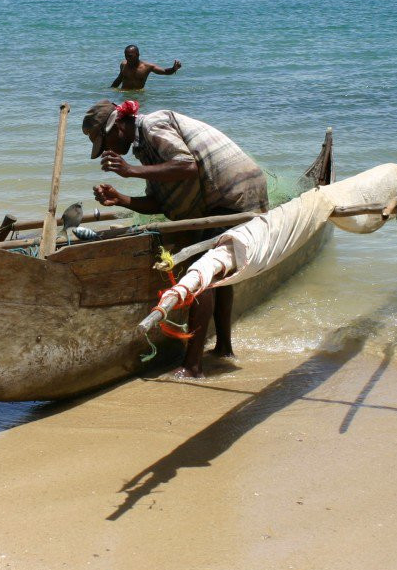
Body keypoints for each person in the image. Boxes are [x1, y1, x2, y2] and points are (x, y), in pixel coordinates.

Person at [82, 99, 267, 378]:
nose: (106, 150)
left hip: (233, 192)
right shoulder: (144, 147)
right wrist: (121, 199)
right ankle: (224, 348)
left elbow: (187, 166)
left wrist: (130, 170)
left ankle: (192, 366)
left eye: (104, 142)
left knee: (199, 269)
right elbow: (161, 201)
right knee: (217, 268)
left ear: (118, 126)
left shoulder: (153, 124)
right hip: (233, 193)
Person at [110, 44, 181, 90]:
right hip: (124, 94)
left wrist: (174, 68)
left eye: (130, 56)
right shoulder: (123, 65)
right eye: (126, 55)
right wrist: (110, 91)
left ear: (137, 54)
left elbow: (165, 71)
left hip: (138, 96)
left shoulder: (147, 67)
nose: (127, 58)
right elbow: (119, 79)